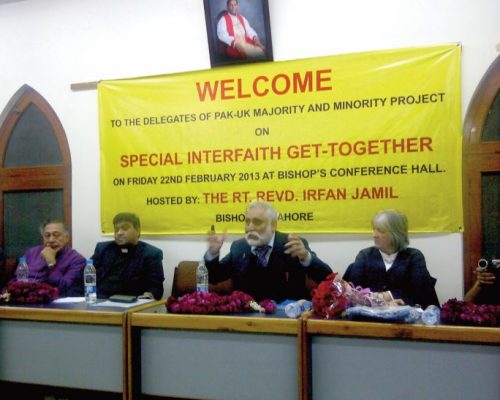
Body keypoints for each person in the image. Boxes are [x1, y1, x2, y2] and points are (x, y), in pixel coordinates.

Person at [204, 200, 332, 302]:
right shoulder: (239, 247)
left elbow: (326, 277)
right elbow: (215, 278)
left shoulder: (292, 244)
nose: (250, 227)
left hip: (287, 319)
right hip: (247, 318)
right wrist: (212, 254)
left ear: (273, 225)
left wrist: (306, 257)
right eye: (247, 221)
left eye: (257, 222)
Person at [343, 209, 439, 308]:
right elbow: (354, 293)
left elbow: (422, 293)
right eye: (374, 229)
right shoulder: (364, 255)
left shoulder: (414, 257)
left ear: (396, 234)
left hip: (405, 319)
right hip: (369, 319)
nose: (374, 235)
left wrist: (388, 295)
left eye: (380, 230)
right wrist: (383, 299)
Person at [91, 212, 165, 300]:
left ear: (137, 231)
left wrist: (148, 295)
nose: (119, 233)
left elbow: (156, 288)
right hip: (99, 301)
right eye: (116, 229)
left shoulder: (151, 254)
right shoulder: (103, 249)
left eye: (125, 228)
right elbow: (83, 277)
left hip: (131, 304)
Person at [6, 219, 86, 297]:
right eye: (47, 236)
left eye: (56, 235)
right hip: (24, 297)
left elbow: (65, 288)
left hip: (52, 301)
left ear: (67, 237)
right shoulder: (31, 252)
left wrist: (51, 263)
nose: (51, 240)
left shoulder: (77, 260)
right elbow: (17, 279)